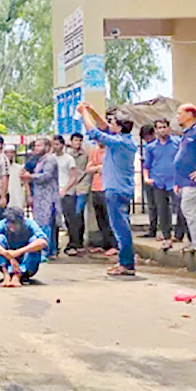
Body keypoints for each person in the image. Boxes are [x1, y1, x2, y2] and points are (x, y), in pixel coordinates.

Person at [79, 102, 138, 277]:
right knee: (120, 226)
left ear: (119, 128)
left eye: (114, 124)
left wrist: (84, 113)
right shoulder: (125, 141)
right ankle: (125, 261)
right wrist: (93, 111)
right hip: (121, 188)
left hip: (115, 189)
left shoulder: (118, 142)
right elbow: (103, 126)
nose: (110, 126)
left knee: (120, 228)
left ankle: (127, 263)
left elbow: (94, 132)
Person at [173, 104, 196, 253]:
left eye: (180, 113)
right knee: (190, 209)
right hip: (184, 180)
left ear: (190, 114)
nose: (178, 116)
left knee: (189, 208)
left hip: (194, 180)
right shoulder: (186, 133)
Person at [143, 118, 181, 250]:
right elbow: (146, 165)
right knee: (162, 209)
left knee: (181, 208)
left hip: (175, 181)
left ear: (168, 128)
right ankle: (166, 236)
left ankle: (179, 234)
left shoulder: (177, 142)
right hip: (158, 181)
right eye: (159, 127)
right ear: (156, 130)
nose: (162, 130)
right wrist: (147, 178)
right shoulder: (151, 147)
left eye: (164, 127)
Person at [0, 207, 49, 287]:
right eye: (9, 222)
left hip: (27, 263)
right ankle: (6, 275)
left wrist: (19, 252)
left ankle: (18, 276)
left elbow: (43, 241)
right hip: (9, 262)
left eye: (13, 222)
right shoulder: (3, 223)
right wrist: (8, 255)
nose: (10, 225)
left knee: (34, 240)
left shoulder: (29, 223)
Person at [21, 138, 59, 258]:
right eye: (35, 145)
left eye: (39, 145)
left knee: (45, 223)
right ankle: (48, 249)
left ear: (47, 147)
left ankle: (44, 251)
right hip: (39, 196)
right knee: (42, 222)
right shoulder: (40, 160)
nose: (36, 148)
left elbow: (46, 176)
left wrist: (30, 177)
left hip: (47, 196)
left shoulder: (50, 159)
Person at [62, 133, 90, 254]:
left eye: (79, 141)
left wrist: (83, 184)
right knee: (69, 215)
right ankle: (73, 240)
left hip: (82, 187)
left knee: (78, 213)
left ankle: (78, 241)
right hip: (69, 187)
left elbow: (87, 172)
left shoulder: (86, 155)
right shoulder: (67, 156)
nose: (77, 143)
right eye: (75, 140)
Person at [85, 141, 115, 254]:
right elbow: (88, 169)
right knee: (100, 217)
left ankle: (114, 245)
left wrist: (98, 167)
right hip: (95, 187)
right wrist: (99, 167)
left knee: (109, 217)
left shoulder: (111, 151)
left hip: (107, 187)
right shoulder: (94, 152)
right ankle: (105, 244)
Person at [51, 135, 75, 254]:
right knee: (54, 220)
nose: (55, 147)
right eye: (53, 144)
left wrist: (65, 189)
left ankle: (72, 245)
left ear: (62, 145)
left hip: (67, 192)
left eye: (57, 144)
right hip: (54, 192)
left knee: (69, 219)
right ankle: (54, 246)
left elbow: (73, 176)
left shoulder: (69, 159)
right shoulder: (50, 159)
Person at [138, 124, 159, 239]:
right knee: (151, 205)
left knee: (159, 205)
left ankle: (158, 229)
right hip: (149, 176)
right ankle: (153, 228)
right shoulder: (147, 146)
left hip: (157, 177)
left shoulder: (156, 145)